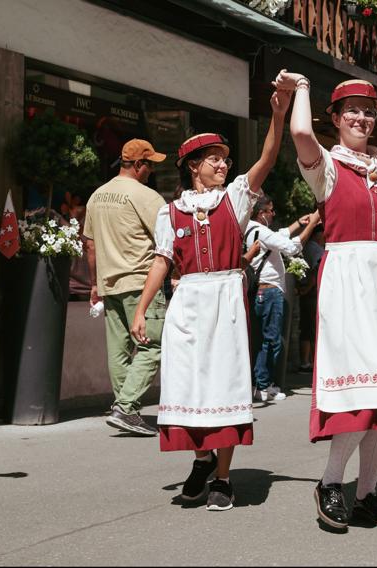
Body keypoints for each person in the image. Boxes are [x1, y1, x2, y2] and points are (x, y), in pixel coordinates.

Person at [282, 71, 377, 530]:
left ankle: (366, 493)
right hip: (348, 280)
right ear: (337, 118)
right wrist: (303, 88)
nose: (362, 119)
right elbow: (300, 131)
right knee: (362, 390)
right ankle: (330, 483)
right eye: (352, 111)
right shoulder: (326, 166)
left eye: (368, 112)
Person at [129, 91, 289, 511]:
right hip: (188, 301)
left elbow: (267, 159)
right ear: (193, 166)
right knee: (187, 384)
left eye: (225, 159)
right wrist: (142, 309)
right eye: (214, 158)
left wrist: (278, 114)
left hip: (226, 299)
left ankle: (222, 477)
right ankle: (202, 459)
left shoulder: (235, 198)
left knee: (225, 384)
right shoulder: (171, 212)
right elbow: (163, 262)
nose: (223, 165)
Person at [84, 139, 168, 436]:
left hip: (109, 282)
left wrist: (94, 283)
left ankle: (125, 411)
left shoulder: (97, 195)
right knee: (152, 346)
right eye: (150, 165)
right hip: (141, 281)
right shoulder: (148, 197)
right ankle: (126, 406)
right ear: (138, 165)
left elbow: (90, 245)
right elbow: (167, 244)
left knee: (118, 350)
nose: (152, 171)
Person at [245, 198, 321, 402]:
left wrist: (299, 222)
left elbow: (281, 234)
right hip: (269, 291)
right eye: (270, 211)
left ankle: (259, 383)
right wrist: (312, 224)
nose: (273, 214)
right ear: (261, 213)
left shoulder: (251, 229)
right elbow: (292, 247)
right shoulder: (262, 232)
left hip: (261, 292)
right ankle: (264, 385)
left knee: (262, 340)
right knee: (272, 340)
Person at [297, 222, 325, 373]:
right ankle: (307, 362)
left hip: (307, 290)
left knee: (308, 326)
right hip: (312, 292)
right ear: (318, 234)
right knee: (310, 327)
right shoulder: (315, 249)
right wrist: (308, 289)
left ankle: (309, 361)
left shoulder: (308, 247)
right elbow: (317, 270)